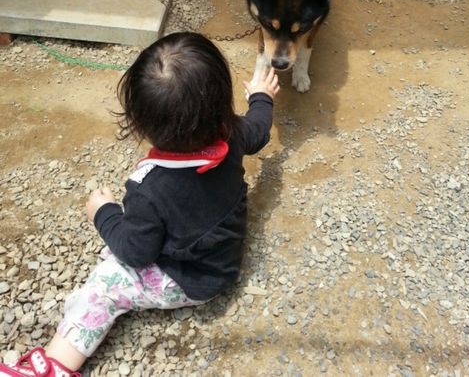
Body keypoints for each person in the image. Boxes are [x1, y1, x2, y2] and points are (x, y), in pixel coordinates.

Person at [0, 32, 279, 377]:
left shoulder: (147, 190)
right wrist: (263, 98)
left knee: (105, 282)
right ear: (221, 101)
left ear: (138, 120)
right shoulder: (230, 134)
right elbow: (258, 130)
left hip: (191, 279)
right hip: (221, 258)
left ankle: (54, 366)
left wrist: (104, 214)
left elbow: (136, 251)